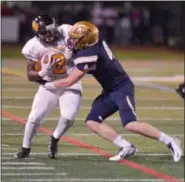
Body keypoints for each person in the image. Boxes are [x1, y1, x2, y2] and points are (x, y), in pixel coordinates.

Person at [44, 21, 182, 162]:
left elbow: (69, 81)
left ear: (85, 40)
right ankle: (126, 146)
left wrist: (49, 84)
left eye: (75, 38)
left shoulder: (89, 53)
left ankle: (170, 141)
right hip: (109, 90)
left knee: (130, 124)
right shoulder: (92, 41)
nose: (71, 40)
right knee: (92, 121)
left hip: (121, 87)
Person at [15, 14, 82, 159]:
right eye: (44, 33)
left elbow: (84, 48)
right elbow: (30, 75)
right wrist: (42, 72)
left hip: (70, 80)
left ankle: (55, 137)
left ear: (56, 25)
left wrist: (74, 52)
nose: (48, 34)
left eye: (50, 30)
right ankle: (25, 148)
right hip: (49, 83)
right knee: (34, 117)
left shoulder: (67, 31)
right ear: (37, 34)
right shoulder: (33, 46)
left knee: (69, 116)